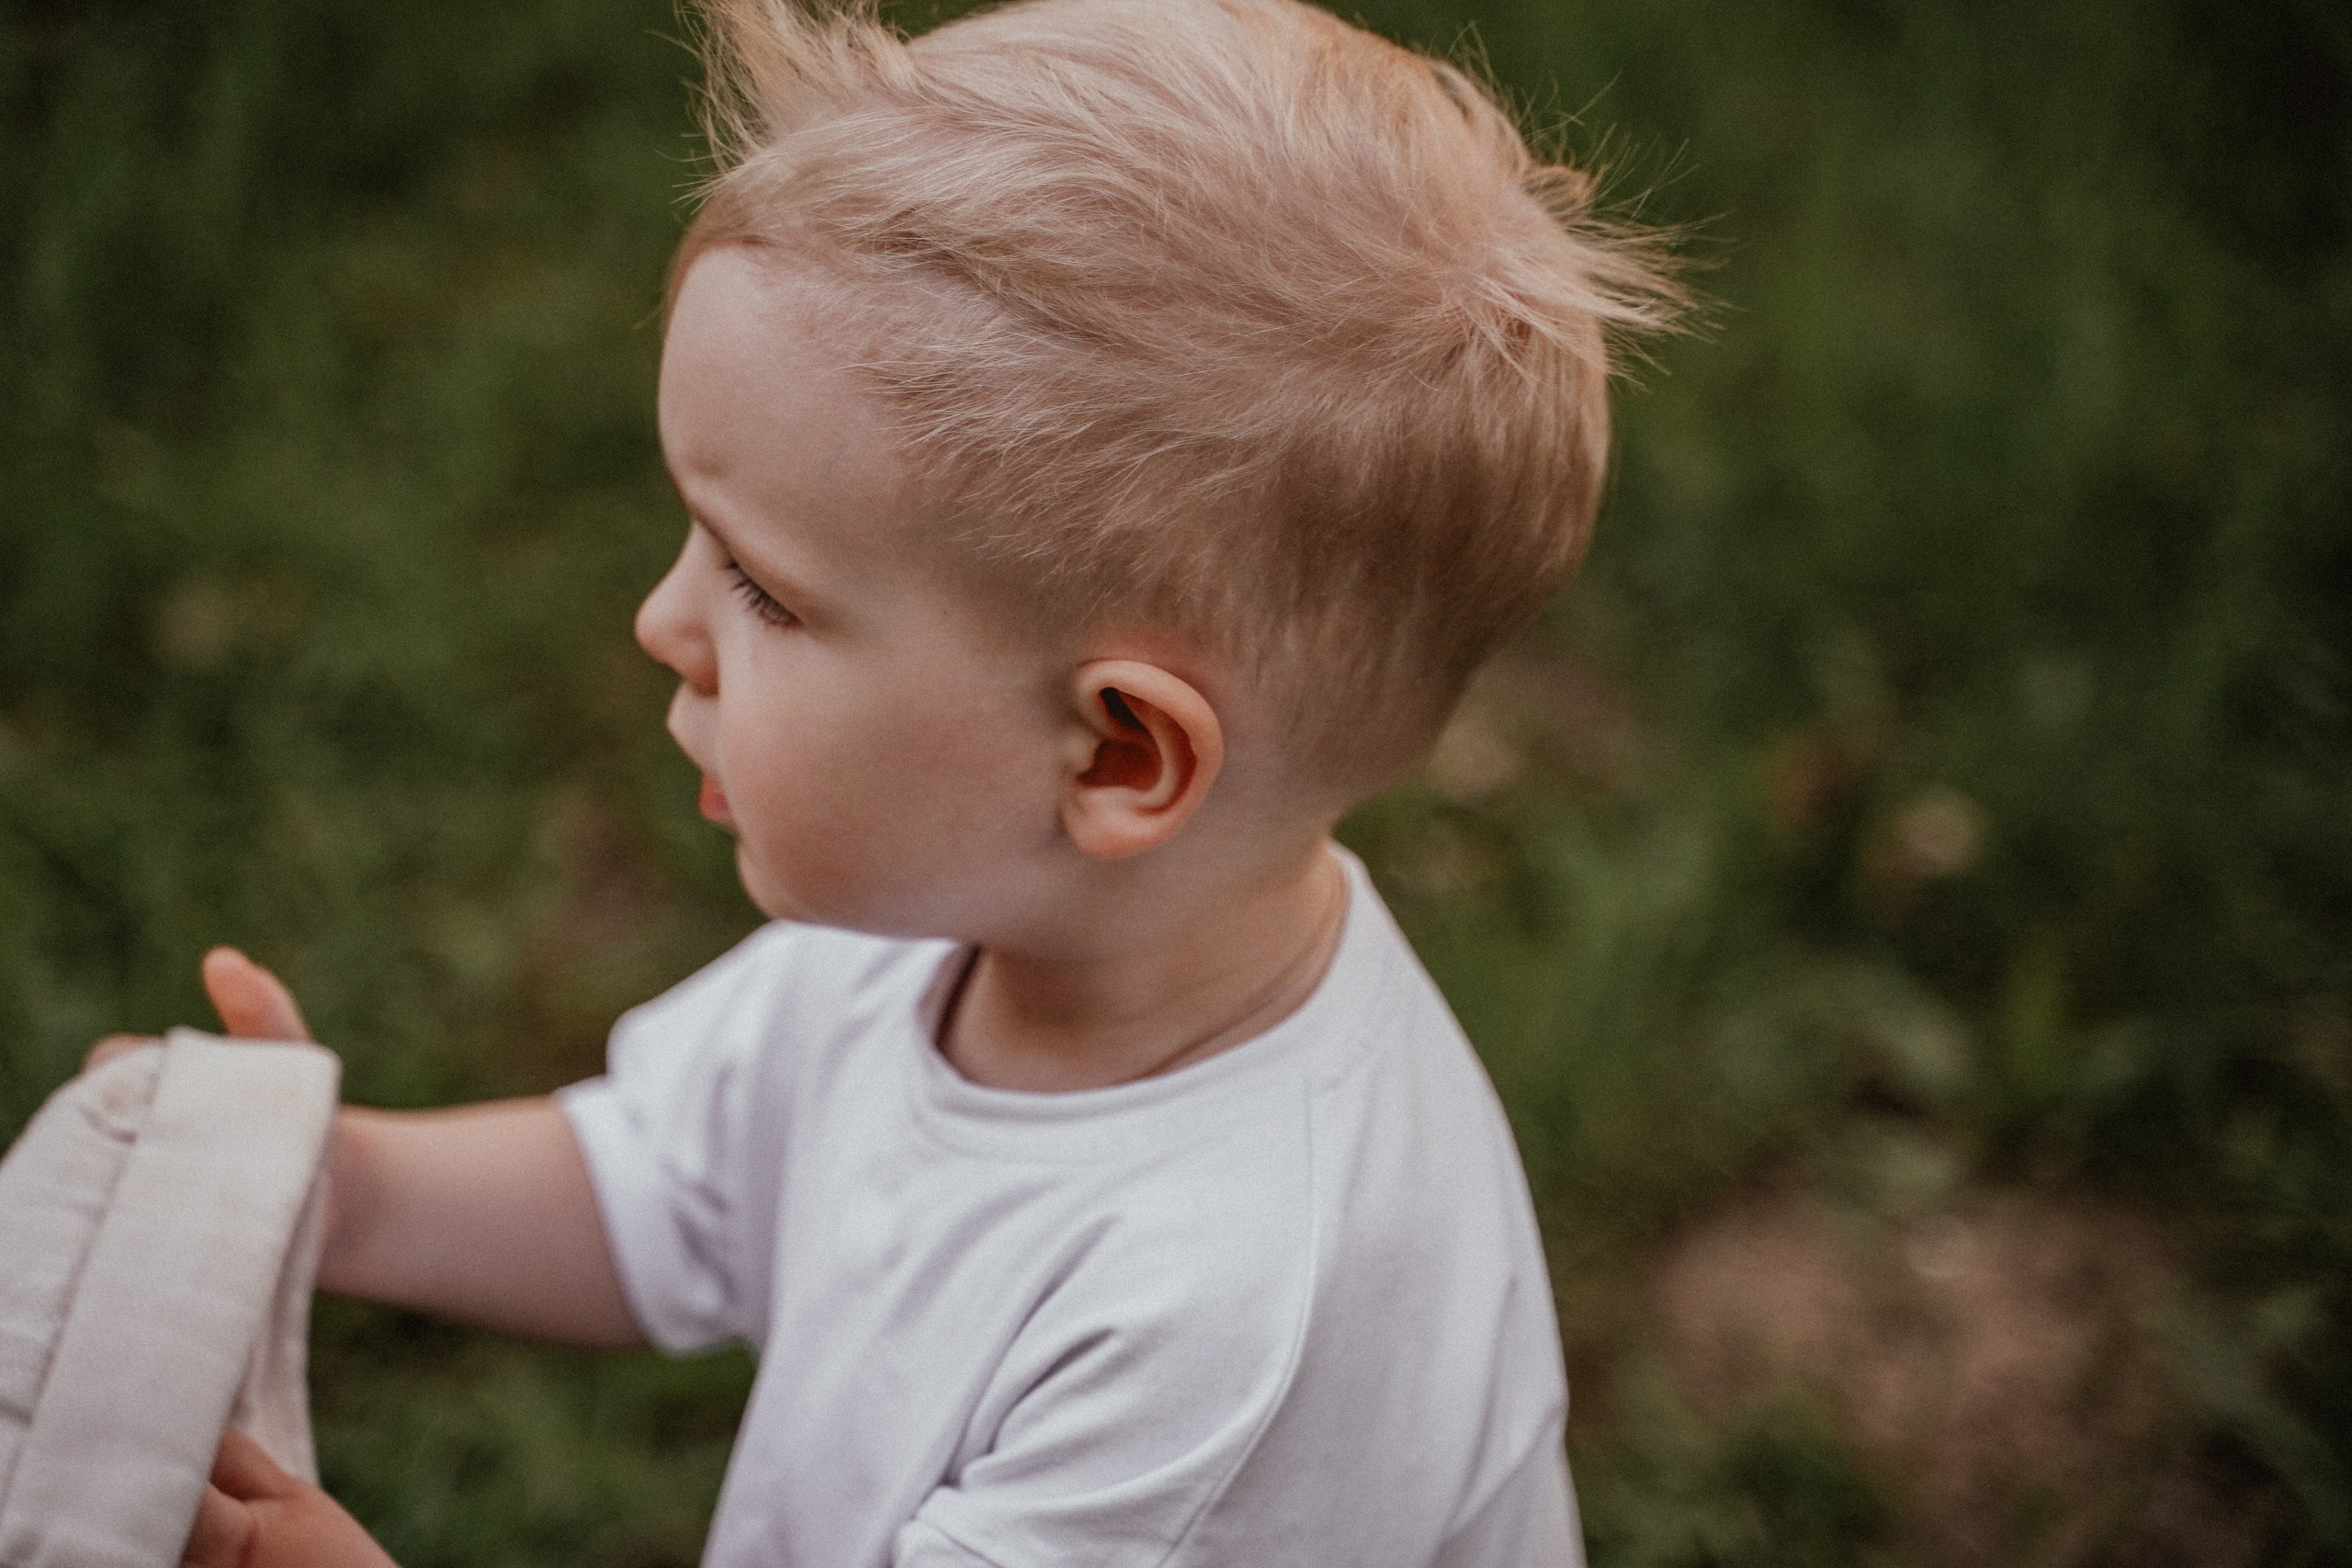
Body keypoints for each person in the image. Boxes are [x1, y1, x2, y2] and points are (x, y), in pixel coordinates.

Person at [139, 0, 1682, 1561]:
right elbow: (669, 1189)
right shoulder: (953, 917)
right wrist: (348, 1191)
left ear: (1117, 755)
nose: (661, 622)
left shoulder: (1233, 1334)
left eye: (762, 587)